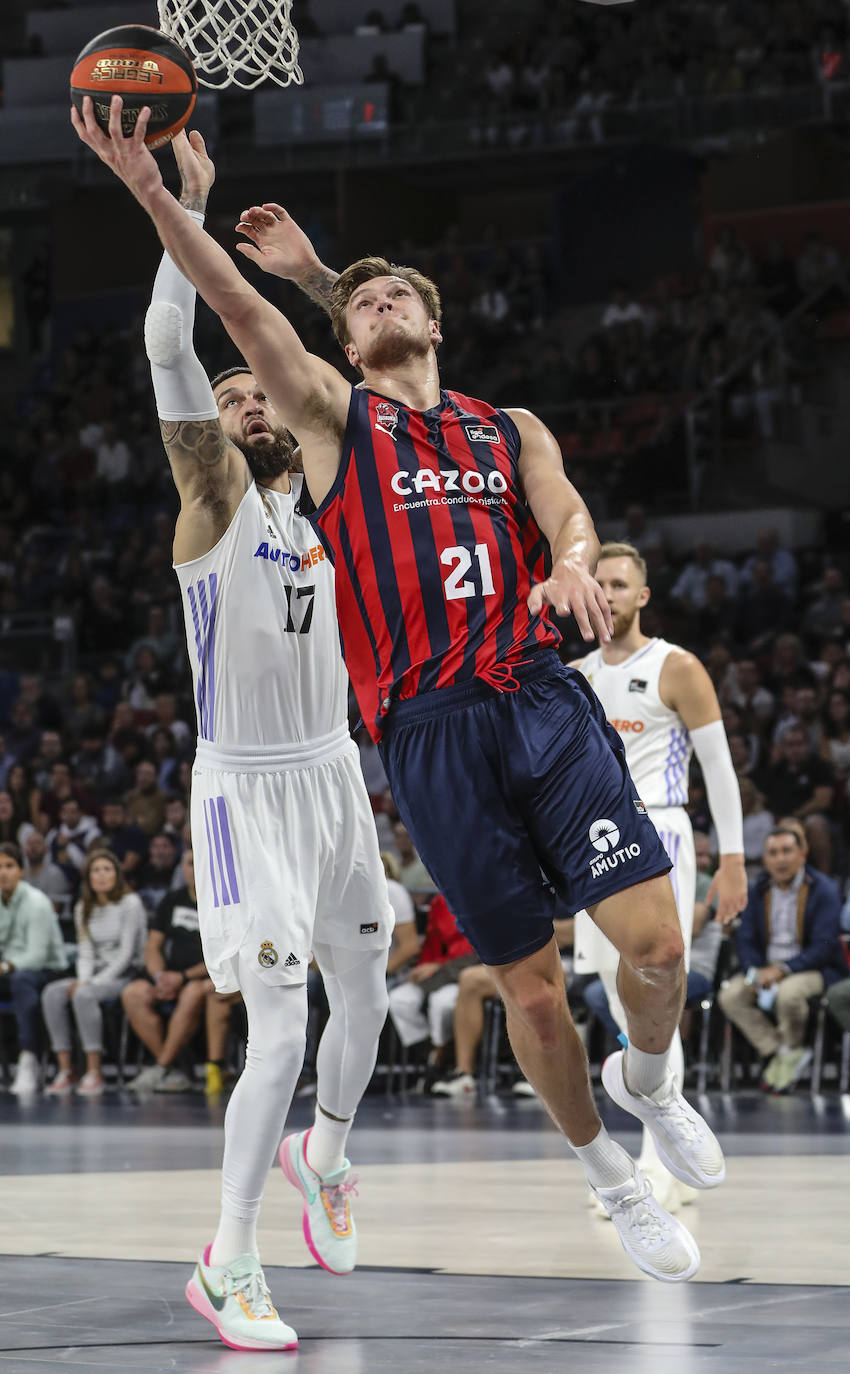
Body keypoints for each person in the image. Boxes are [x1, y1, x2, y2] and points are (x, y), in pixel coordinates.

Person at [74, 102, 729, 1287]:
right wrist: (157, 195)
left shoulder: (504, 425)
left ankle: (653, 1081)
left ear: (434, 323)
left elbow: (564, 512)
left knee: (658, 952)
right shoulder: (332, 419)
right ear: (340, 335)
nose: (374, 309)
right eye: (357, 303)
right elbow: (232, 307)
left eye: (394, 299)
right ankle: (613, 1185)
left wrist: (573, 561)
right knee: (528, 994)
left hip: (534, 696)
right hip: (426, 734)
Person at [71, 125, 393, 1351]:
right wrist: (177, 206)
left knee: (363, 995)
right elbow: (169, 342)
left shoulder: (328, 496)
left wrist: (315, 286)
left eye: (262, 387)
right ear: (210, 426)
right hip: (244, 793)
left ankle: (332, 1155)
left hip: (333, 778)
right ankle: (231, 1258)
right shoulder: (208, 504)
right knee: (282, 1030)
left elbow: (383, 351)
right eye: (234, 393)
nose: (253, 397)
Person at [571, 543, 747, 1211]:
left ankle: (657, 1159)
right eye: (600, 583)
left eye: (620, 584)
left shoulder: (677, 666)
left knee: (657, 1002)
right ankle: (659, 1147)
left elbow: (721, 772)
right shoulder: (574, 675)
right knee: (623, 1009)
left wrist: (732, 861)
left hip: (664, 832)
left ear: (642, 595)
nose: (609, 594)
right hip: (596, 843)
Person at [717, 826, 845, 1092]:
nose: (781, 859)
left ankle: (787, 1055)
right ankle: (782, 1052)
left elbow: (824, 946)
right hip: (764, 968)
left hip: (811, 968)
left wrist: (783, 970)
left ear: (803, 854)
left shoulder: (823, 889)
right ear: (764, 858)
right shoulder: (757, 889)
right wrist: (755, 970)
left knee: (789, 993)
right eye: (773, 853)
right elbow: (746, 939)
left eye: (787, 851)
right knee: (730, 996)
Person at [42, 848, 147, 1096]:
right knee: (52, 993)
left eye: (107, 870)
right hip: (96, 973)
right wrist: (84, 980)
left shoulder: (130, 903)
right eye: (95, 870)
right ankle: (67, 1070)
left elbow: (127, 953)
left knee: (83, 995)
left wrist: (90, 984)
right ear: (88, 876)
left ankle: (94, 1071)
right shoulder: (83, 907)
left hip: (126, 973)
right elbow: (86, 951)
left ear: (117, 874)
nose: (101, 875)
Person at [122, 846, 211, 1093]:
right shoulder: (172, 900)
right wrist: (160, 977)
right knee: (133, 993)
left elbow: (222, 956)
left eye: (200, 861)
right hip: (168, 974)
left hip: (200, 977)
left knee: (193, 992)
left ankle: (160, 1067)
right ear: (182, 869)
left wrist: (182, 977)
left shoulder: (221, 903)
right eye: (190, 863)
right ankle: (174, 1070)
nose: (195, 868)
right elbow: (153, 946)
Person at [0, 841, 68, 1094]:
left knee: (23, 981)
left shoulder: (37, 902)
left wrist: (6, 966)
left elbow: (38, 956)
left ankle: (28, 1059)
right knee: (18, 979)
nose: (3, 872)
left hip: (47, 969)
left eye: (9, 866)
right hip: (10, 969)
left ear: (21, 871)